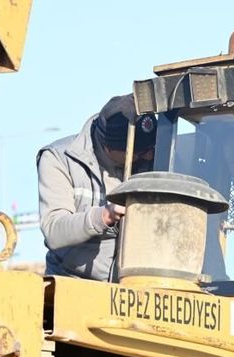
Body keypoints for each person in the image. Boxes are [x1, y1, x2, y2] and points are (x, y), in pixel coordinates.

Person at [37, 94, 157, 281]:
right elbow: (54, 231)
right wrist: (103, 216)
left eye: (152, 148)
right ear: (108, 147)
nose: (149, 157)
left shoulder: (155, 158)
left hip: (136, 289)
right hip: (74, 284)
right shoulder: (59, 159)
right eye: (140, 152)